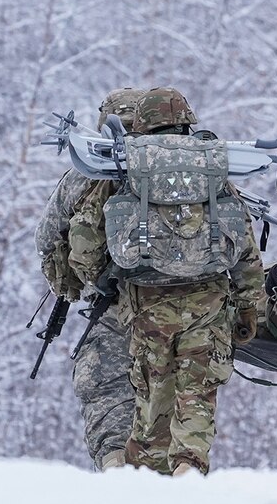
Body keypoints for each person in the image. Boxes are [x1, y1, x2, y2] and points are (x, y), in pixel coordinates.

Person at [83, 86, 264, 476]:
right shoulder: (212, 166)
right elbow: (244, 243)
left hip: (147, 303)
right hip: (209, 302)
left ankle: (149, 476)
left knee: (153, 394)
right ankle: (188, 467)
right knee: (197, 392)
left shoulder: (128, 166)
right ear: (188, 121)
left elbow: (86, 246)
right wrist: (250, 305)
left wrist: (102, 282)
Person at [36, 87, 142, 471]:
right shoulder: (192, 175)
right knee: (180, 406)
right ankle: (183, 479)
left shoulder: (85, 174)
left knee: (107, 393)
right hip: (186, 312)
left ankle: (116, 469)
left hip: (111, 307)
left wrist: (69, 284)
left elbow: (48, 241)